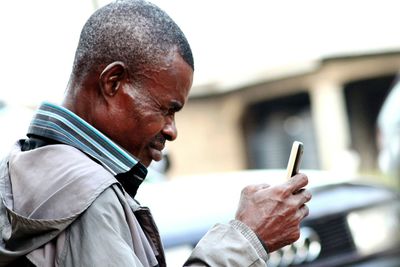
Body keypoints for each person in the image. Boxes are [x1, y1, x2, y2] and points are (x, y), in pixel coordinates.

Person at [0, 0, 311, 266]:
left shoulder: (24, 165)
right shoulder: (89, 200)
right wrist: (247, 239)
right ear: (113, 82)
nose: (171, 130)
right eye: (166, 109)